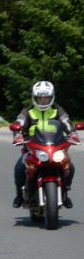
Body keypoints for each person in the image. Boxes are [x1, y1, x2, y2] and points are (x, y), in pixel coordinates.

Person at [12, 80, 79, 208]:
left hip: (55, 146)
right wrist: (18, 135)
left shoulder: (57, 110)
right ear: (34, 98)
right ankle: (19, 196)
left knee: (70, 167)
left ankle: (65, 193)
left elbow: (67, 122)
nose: (43, 101)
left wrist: (73, 133)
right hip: (32, 147)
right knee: (19, 167)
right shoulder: (28, 111)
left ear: (52, 97)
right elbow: (19, 123)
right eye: (39, 98)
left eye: (46, 98)